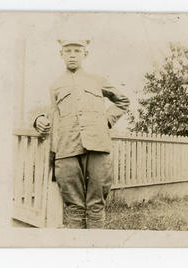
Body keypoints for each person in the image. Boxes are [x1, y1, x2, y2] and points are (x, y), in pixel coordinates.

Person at [33, 39, 130, 229]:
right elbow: (51, 111)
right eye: (67, 51)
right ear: (61, 54)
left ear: (85, 54)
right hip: (67, 149)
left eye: (77, 51)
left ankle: (95, 249)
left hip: (98, 146)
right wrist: (38, 119)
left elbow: (123, 101)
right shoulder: (55, 85)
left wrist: (106, 120)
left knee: (96, 205)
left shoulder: (97, 80)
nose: (72, 54)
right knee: (73, 206)